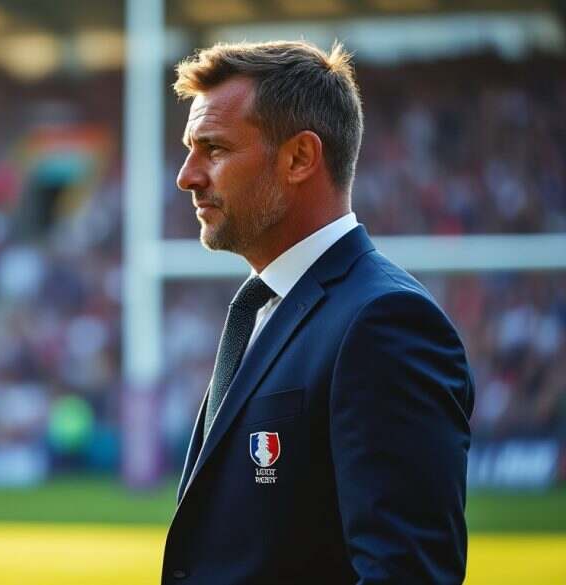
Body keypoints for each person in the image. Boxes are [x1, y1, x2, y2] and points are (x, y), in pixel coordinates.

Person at [162, 41, 474, 584]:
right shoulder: (266, 307)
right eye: (190, 149)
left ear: (300, 158)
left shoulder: (384, 322)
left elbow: (406, 573)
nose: (187, 176)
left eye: (212, 149)